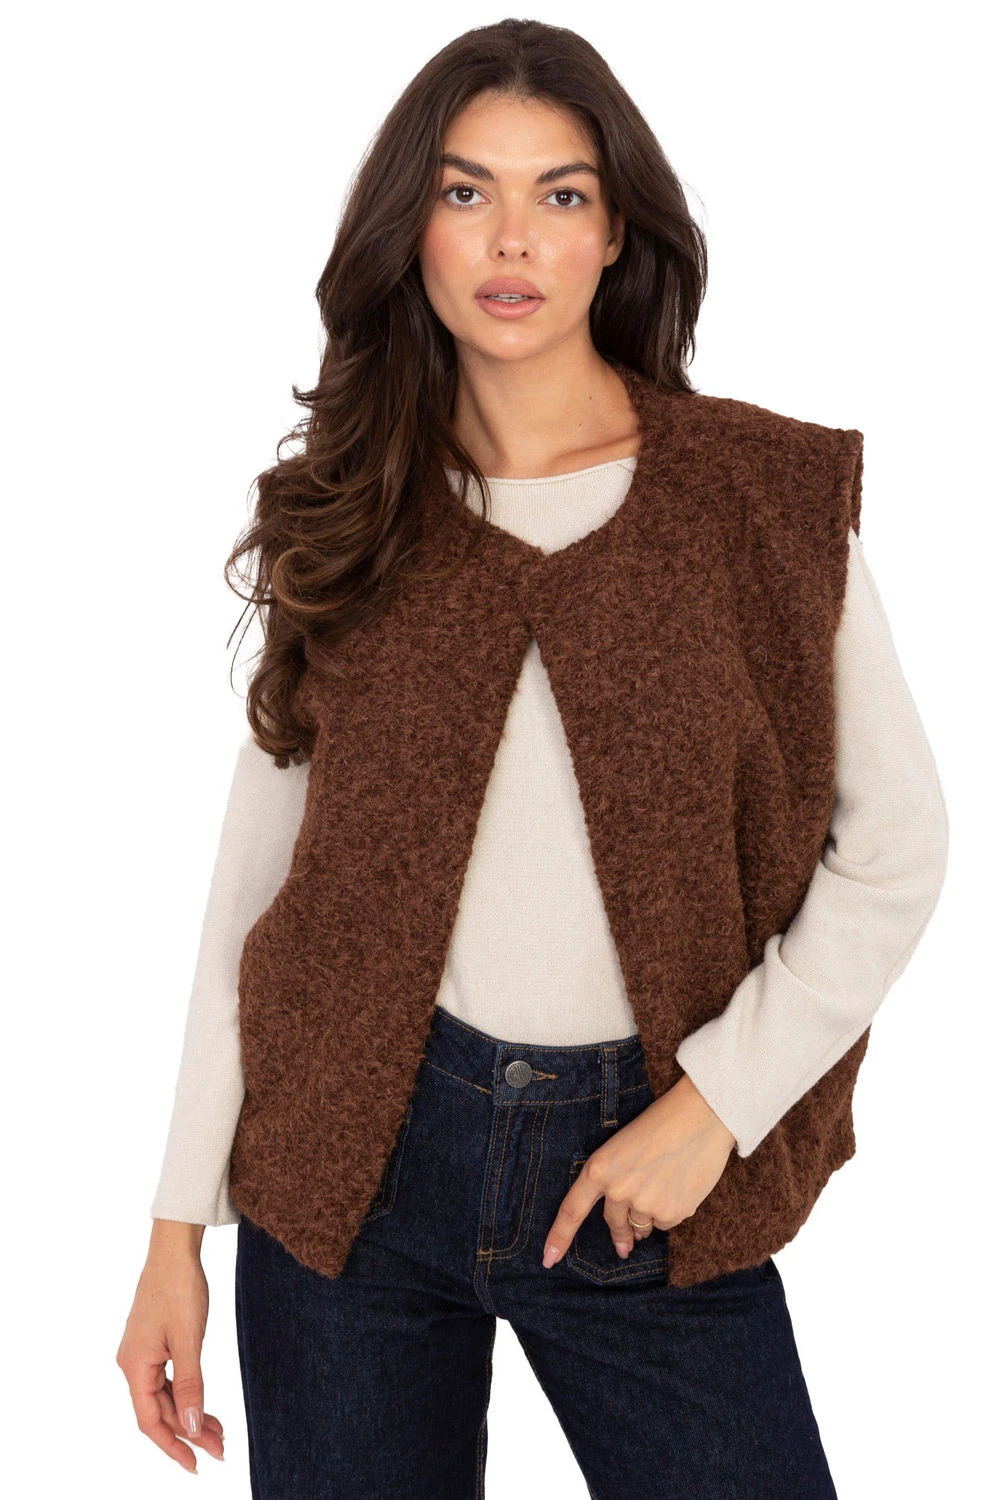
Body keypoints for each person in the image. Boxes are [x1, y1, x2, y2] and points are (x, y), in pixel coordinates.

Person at [116, 19, 949, 1498]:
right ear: (412, 229)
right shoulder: (353, 512)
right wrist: (176, 1227)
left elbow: (895, 846)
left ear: (616, 231)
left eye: (561, 194)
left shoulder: (757, 500)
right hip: (353, 1182)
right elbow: (259, 894)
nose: (513, 239)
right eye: (465, 192)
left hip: (646, 1172)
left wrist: (717, 1106)